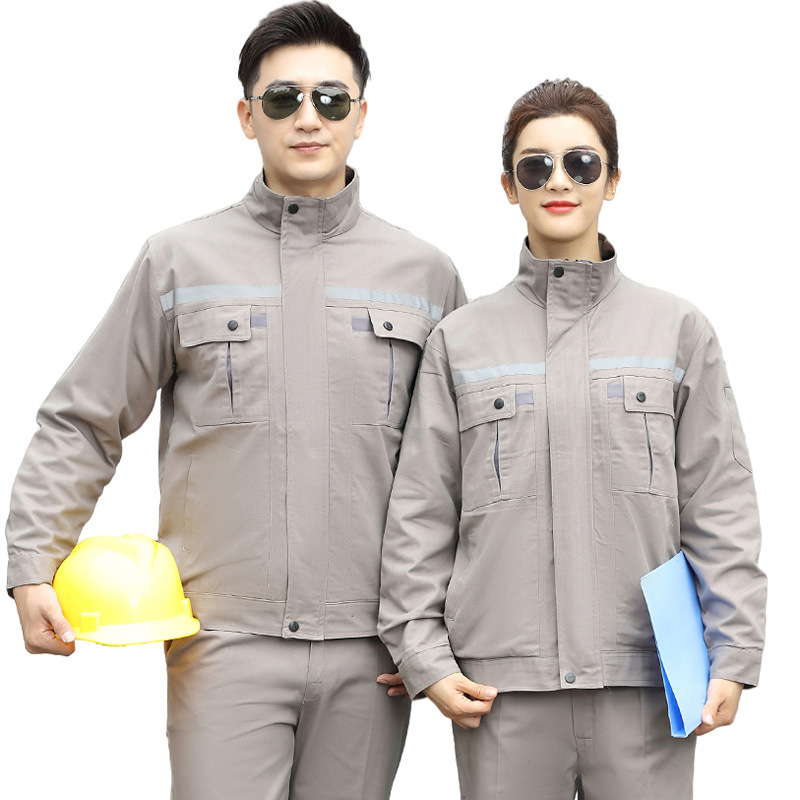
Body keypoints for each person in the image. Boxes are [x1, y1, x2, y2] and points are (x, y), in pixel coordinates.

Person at [5, 3, 466, 799]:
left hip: (374, 652)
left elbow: (467, 469)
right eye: (283, 99)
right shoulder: (178, 262)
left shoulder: (425, 276)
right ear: (247, 116)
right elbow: (83, 418)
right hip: (221, 642)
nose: (308, 118)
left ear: (362, 116)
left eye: (331, 99)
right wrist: (30, 564)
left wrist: (435, 635)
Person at [378, 78, 766, 799]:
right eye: (536, 166)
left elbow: (720, 504)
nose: (559, 181)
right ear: (508, 186)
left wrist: (735, 650)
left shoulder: (677, 330)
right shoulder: (461, 341)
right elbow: (421, 513)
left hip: (648, 682)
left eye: (581, 164)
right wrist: (424, 657)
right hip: (501, 688)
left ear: (612, 181)